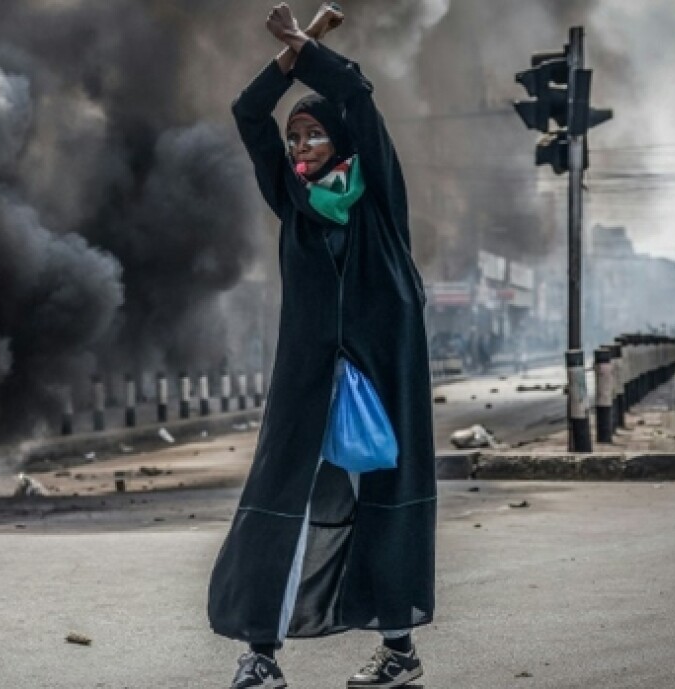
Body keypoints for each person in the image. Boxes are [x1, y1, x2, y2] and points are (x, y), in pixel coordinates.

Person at [208, 4, 436, 687]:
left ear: (338, 141)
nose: (301, 148)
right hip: (309, 376)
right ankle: (261, 655)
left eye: (312, 136)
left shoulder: (378, 196)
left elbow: (356, 95)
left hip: (383, 369)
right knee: (281, 497)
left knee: (386, 500)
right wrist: (286, 60)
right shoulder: (294, 202)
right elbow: (249, 115)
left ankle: (398, 650)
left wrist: (308, 45)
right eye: (295, 138)